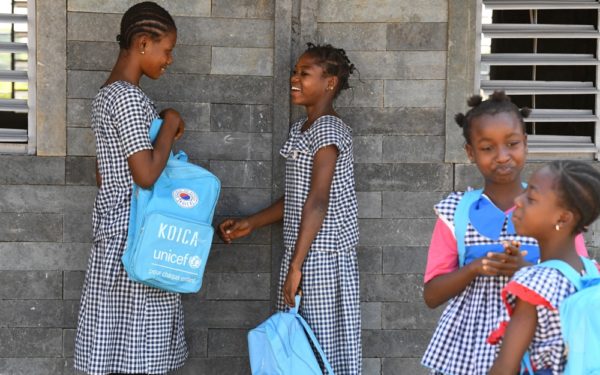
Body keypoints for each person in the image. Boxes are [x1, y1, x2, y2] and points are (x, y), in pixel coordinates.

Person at [420, 91, 588, 374]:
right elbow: (432, 296)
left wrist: (527, 271)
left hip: (540, 346)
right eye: (487, 148)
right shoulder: (455, 213)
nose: (502, 156)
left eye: (512, 144)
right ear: (470, 152)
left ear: (525, 144)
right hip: (468, 352)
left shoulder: (555, 209)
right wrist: (474, 268)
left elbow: (579, 283)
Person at [218, 43, 361, 374]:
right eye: (294, 72)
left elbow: (319, 199)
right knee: (296, 351)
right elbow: (299, 198)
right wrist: (251, 223)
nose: (294, 79)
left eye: (304, 74)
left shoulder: (328, 130)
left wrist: (297, 266)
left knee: (319, 349)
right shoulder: (302, 129)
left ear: (330, 83)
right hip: (302, 257)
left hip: (323, 260)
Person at [74, 3, 187, 374]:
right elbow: (145, 175)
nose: (169, 60)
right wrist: (169, 124)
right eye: (167, 50)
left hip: (114, 238)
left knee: (116, 350)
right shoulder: (127, 98)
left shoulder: (106, 96)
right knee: (141, 354)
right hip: (137, 242)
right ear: (142, 43)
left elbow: (103, 175)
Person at [488, 160, 600, 374]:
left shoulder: (535, 283)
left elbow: (505, 367)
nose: (518, 200)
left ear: (562, 218)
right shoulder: (592, 272)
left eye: (530, 198)